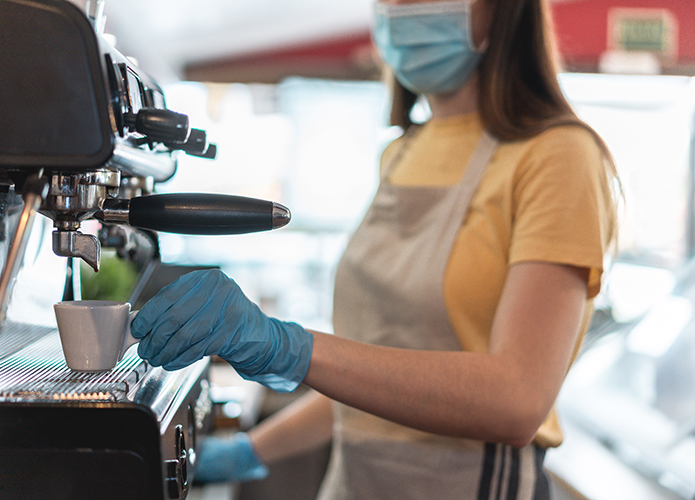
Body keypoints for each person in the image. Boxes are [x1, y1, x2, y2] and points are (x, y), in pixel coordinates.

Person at [130, 0, 620, 498]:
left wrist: (290, 347)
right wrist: (252, 451)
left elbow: (517, 400)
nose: (403, 9)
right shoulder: (403, 150)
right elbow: (379, 378)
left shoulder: (559, 156)